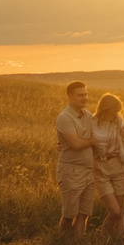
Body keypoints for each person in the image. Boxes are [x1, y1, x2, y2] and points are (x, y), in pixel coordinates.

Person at [53, 81, 97, 234]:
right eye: (80, 95)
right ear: (70, 96)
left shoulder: (88, 115)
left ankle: (78, 244)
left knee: (84, 213)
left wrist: (122, 132)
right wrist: (92, 140)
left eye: (86, 94)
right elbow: (75, 144)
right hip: (71, 171)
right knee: (69, 214)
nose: (84, 98)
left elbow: (104, 129)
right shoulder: (64, 117)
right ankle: (62, 243)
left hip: (89, 171)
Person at [89, 92, 124, 241]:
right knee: (114, 211)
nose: (116, 114)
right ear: (105, 109)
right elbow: (84, 142)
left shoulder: (118, 120)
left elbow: (123, 144)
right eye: (114, 110)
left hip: (118, 166)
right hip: (99, 167)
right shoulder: (91, 122)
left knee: (120, 210)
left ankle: (115, 240)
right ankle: (103, 237)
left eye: (118, 111)